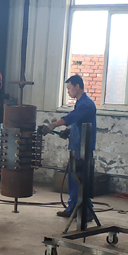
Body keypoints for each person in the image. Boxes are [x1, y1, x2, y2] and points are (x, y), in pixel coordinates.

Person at [40, 75, 97, 218]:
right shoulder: (80, 103)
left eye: (69, 88)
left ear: (77, 86)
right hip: (77, 145)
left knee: (81, 179)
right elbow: (79, 122)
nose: (68, 91)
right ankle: (73, 208)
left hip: (83, 147)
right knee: (74, 178)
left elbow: (72, 117)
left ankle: (86, 211)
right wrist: (69, 130)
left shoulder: (87, 104)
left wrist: (53, 125)